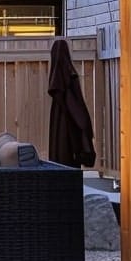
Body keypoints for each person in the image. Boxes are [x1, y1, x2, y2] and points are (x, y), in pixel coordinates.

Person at [47, 38, 96, 168]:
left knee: (61, 152)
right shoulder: (69, 76)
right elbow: (75, 106)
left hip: (62, 122)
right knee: (67, 154)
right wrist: (83, 124)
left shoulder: (57, 79)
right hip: (70, 123)